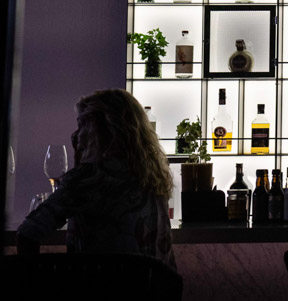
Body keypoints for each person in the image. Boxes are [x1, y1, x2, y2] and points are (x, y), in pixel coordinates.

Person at [17, 88, 176, 269]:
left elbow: (27, 233)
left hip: (98, 294)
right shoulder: (153, 177)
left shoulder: (90, 178)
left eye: (81, 125)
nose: (76, 136)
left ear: (98, 131)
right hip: (153, 293)